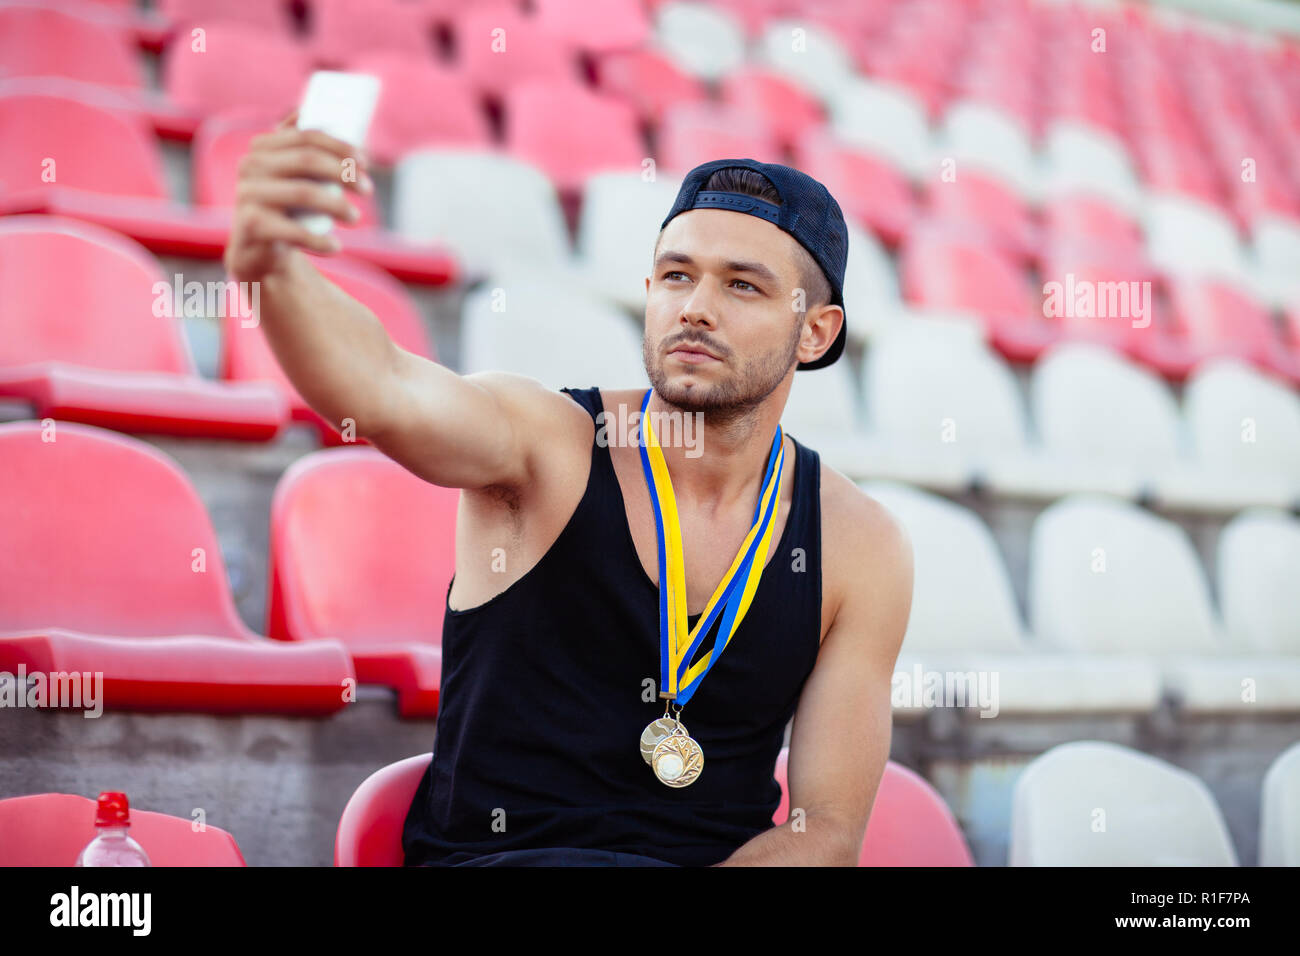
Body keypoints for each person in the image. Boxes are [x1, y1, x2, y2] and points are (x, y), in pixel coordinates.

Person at [225, 120, 914, 866]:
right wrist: (272, 270)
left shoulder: (858, 544)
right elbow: (384, 388)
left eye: (742, 285)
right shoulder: (544, 442)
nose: (696, 307)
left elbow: (828, 833)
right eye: (677, 276)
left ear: (814, 332)